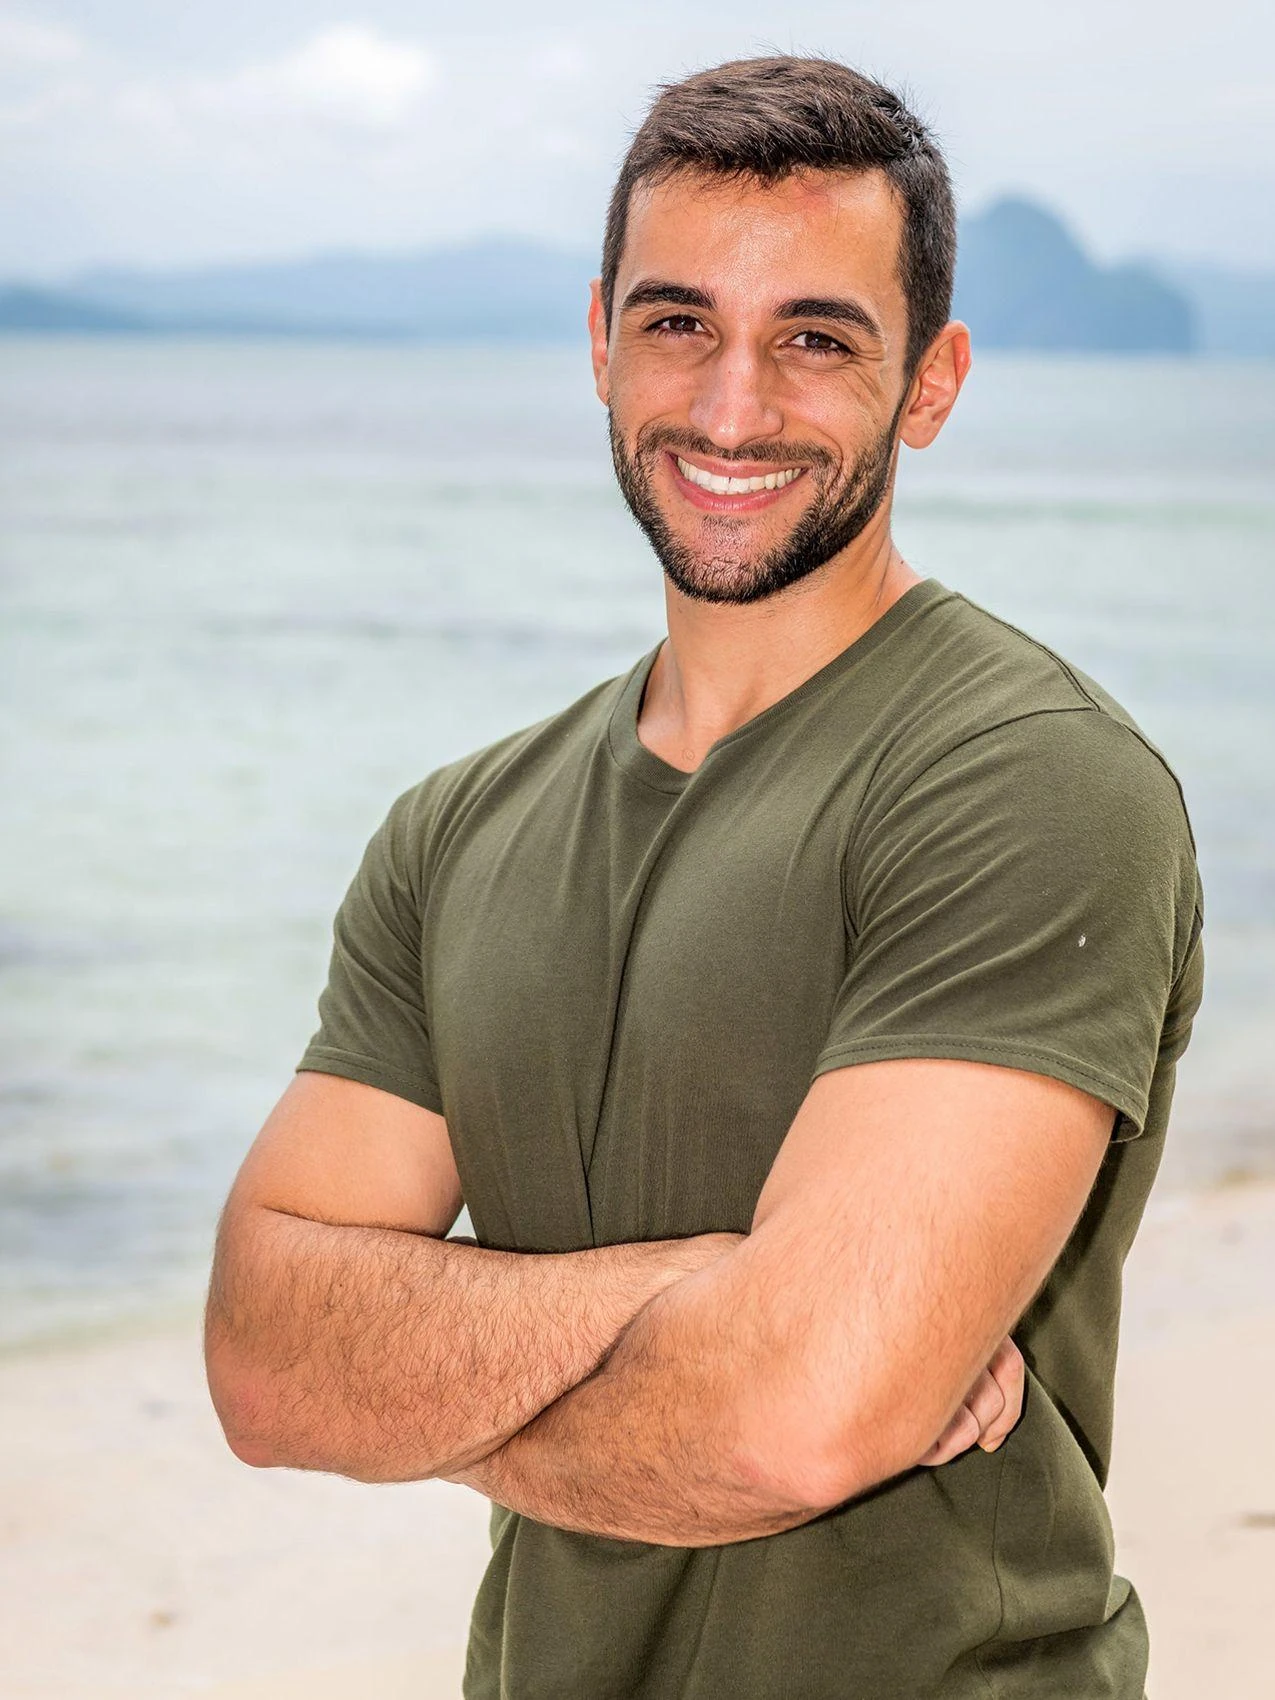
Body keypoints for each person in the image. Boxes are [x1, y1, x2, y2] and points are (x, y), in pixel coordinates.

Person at [204, 54, 1204, 1700]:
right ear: (600, 343)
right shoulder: (456, 831)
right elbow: (262, 1363)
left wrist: (425, 1390)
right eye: (680, 324)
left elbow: (793, 1420)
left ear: (930, 383)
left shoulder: (1027, 780)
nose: (732, 410)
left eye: (815, 340)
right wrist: (704, 1285)